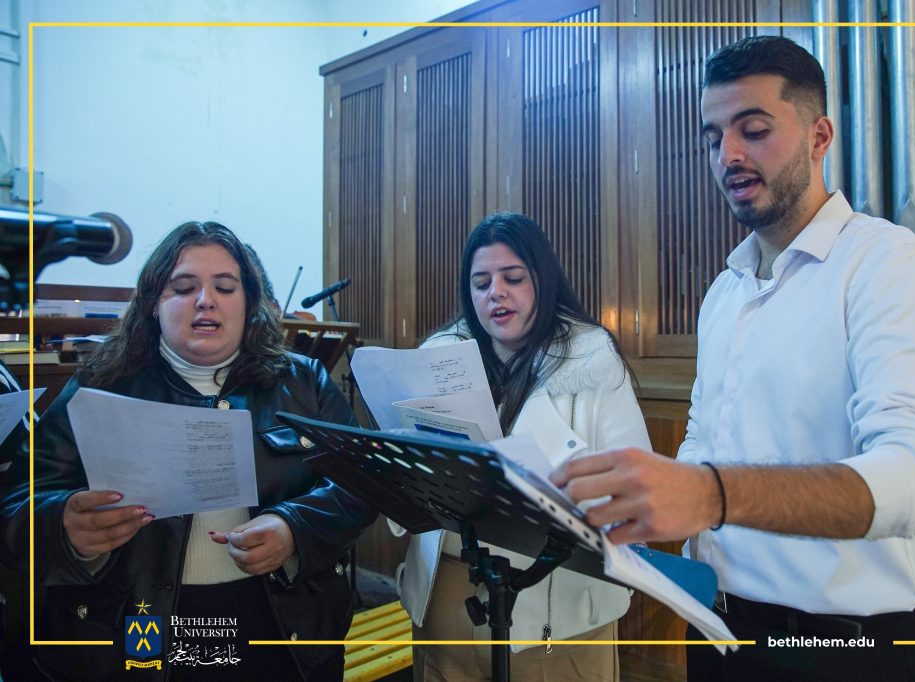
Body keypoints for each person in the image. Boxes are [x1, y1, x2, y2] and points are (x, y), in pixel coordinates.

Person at [552, 35, 915, 682]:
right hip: (718, 625)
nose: (728, 155)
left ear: (819, 136)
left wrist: (712, 494)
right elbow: (705, 437)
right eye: (713, 137)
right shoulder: (725, 292)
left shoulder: (894, 268)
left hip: (846, 649)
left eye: (753, 130)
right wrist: (640, 499)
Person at [0, 221, 375, 681]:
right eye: (183, 288)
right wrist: (64, 527)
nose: (205, 300)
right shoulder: (100, 385)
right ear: (153, 303)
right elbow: (17, 504)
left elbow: (361, 482)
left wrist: (293, 528)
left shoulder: (304, 382)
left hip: (281, 624)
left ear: (249, 302)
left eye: (225, 287)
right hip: (136, 624)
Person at [394, 211, 651, 681]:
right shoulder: (440, 358)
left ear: (543, 280)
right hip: (447, 599)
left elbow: (637, 494)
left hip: (556, 609)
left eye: (512, 278)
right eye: (481, 283)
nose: (496, 292)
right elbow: (406, 482)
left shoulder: (593, 361)